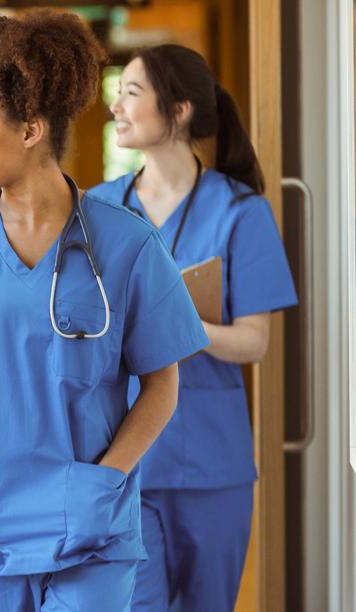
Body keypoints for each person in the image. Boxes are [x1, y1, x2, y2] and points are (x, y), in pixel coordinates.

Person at [0, 11, 209, 610]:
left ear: (31, 130)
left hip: (90, 525)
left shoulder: (127, 244)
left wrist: (106, 479)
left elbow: (162, 384)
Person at [89, 44, 297, 612]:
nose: (117, 106)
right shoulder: (97, 211)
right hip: (124, 458)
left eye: (131, 92)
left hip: (212, 467)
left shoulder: (241, 211)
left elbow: (254, 341)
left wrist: (174, 321)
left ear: (178, 110)